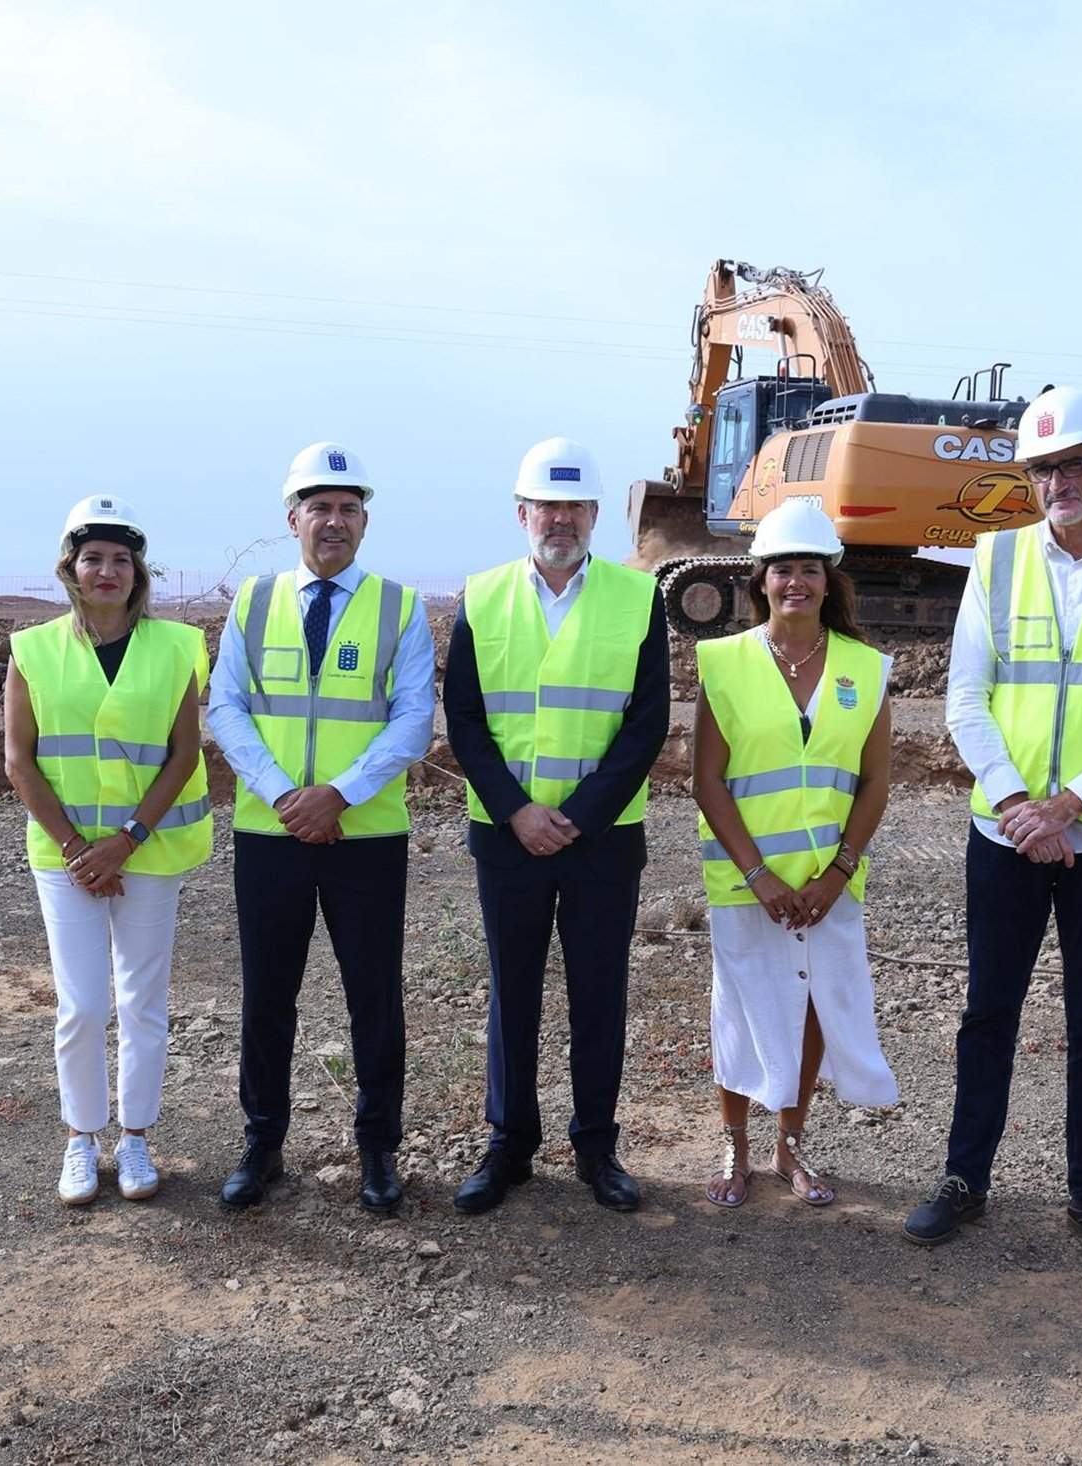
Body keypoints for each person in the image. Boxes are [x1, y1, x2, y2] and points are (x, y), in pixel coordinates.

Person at [903, 387, 1082, 1278]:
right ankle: (964, 1179)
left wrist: (1069, 805)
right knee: (987, 1012)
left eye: (1073, 463)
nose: (1057, 482)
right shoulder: (995, 561)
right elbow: (966, 699)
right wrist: (1017, 807)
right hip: (1007, 834)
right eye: (1041, 469)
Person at [204, 442, 435, 1215]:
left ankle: (378, 1150)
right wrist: (284, 796)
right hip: (271, 835)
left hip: (364, 838)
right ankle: (262, 1143)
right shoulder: (254, 601)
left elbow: (412, 721)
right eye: (319, 507)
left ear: (365, 521)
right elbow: (226, 707)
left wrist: (338, 794)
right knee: (268, 997)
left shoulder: (399, 607)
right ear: (291, 518)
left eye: (348, 509)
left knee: (374, 997)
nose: (333, 521)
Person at [441, 437, 669, 1214]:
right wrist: (518, 811)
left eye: (574, 506)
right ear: (522, 513)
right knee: (512, 995)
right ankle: (508, 1145)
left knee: (599, 993)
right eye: (547, 505)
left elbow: (647, 722)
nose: (560, 519)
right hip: (509, 838)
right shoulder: (482, 597)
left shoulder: (638, 597)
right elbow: (465, 719)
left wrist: (577, 817)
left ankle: (597, 1148)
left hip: (601, 841)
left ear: (595, 514)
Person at [3, 494, 211, 1207]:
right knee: (84, 1005)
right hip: (66, 860)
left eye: (122, 559)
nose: (108, 570)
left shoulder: (177, 647)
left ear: (138, 572)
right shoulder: (32, 650)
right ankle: (81, 1139)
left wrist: (125, 842)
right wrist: (76, 848)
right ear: (71, 567)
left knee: (142, 1003)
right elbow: (19, 761)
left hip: (148, 852)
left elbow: (184, 755)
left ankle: (136, 1138)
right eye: (93, 558)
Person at [690, 500, 899, 1208]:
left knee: (811, 1010)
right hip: (747, 882)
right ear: (762, 580)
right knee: (741, 1009)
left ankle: (790, 1145)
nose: (796, 582)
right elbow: (707, 781)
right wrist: (758, 875)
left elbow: (874, 783)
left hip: (826, 886)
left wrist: (839, 871)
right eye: (783, 569)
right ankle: (735, 1145)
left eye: (809, 569)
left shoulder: (866, 669)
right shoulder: (725, 663)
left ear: (828, 580)